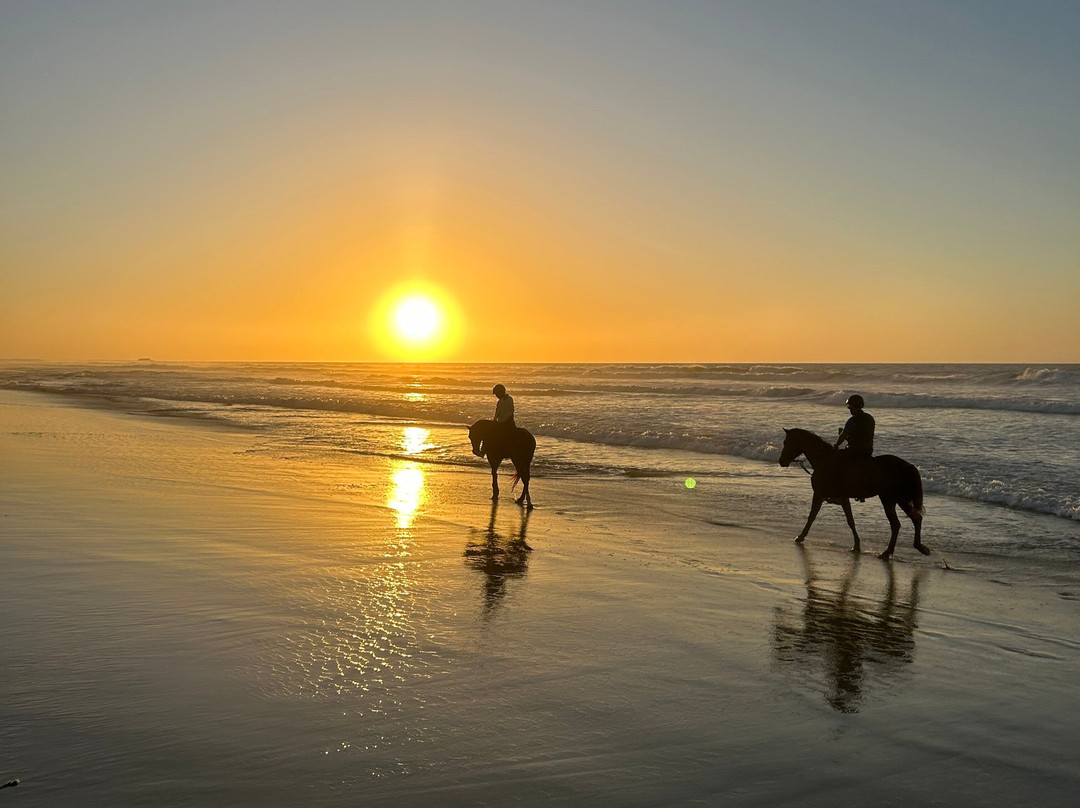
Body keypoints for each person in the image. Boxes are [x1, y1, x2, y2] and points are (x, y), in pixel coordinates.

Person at [834, 394, 875, 500]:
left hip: (854, 451)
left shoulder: (852, 420)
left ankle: (838, 491)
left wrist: (836, 445)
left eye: (850, 407)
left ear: (854, 407)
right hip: (868, 450)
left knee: (837, 465)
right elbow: (864, 435)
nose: (849, 409)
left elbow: (843, 436)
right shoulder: (870, 418)